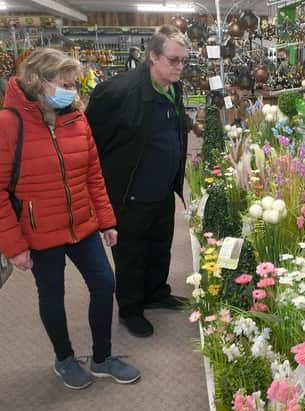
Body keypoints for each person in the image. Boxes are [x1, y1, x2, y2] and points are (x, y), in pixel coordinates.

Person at [0, 48, 140, 389]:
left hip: (82, 223)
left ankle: (102, 358)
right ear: (40, 82)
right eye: (66, 83)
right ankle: (65, 359)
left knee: (104, 283)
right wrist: (13, 246)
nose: (73, 91)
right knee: (52, 298)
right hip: (39, 232)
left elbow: (93, 175)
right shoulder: (4, 126)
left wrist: (106, 220)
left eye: (75, 83)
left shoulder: (77, 119)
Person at [86, 25, 190, 338]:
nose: (179, 67)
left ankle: (156, 292)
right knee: (131, 254)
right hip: (130, 193)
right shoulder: (119, 92)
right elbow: (91, 142)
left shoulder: (174, 88)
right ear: (152, 56)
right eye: (173, 60)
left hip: (162, 190)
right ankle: (131, 309)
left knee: (160, 247)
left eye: (184, 61)